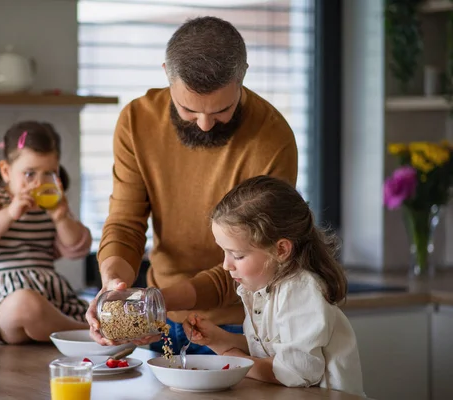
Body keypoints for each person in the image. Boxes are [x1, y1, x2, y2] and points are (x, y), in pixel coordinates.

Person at [86, 15, 298, 355]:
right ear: (166, 73)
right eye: (189, 109)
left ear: (242, 75)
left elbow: (258, 256)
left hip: (240, 324)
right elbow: (125, 222)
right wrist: (113, 286)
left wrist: (158, 299)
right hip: (160, 321)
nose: (204, 124)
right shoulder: (136, 121)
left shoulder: (273, 140)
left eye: (221, 110)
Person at [182, 176, 364, 396]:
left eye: (237, 255)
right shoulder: (260, 289)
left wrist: (238, 362)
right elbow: (270, 351)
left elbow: (296, 372)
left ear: (280, 250)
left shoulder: (300, 290)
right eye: (224, 252)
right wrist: (220, 340)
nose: (225, 265)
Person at [0, 121, 92, 344]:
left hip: (49, 299)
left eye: (49, 173)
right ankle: (83, 334)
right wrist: (9, 213)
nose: (39, 183)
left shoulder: (52, 206)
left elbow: (78, 248)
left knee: (92, 305)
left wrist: (61, 218)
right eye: (30, 174)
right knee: (25, 304)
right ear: (6, 171)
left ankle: (70, 330)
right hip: (1, 305)